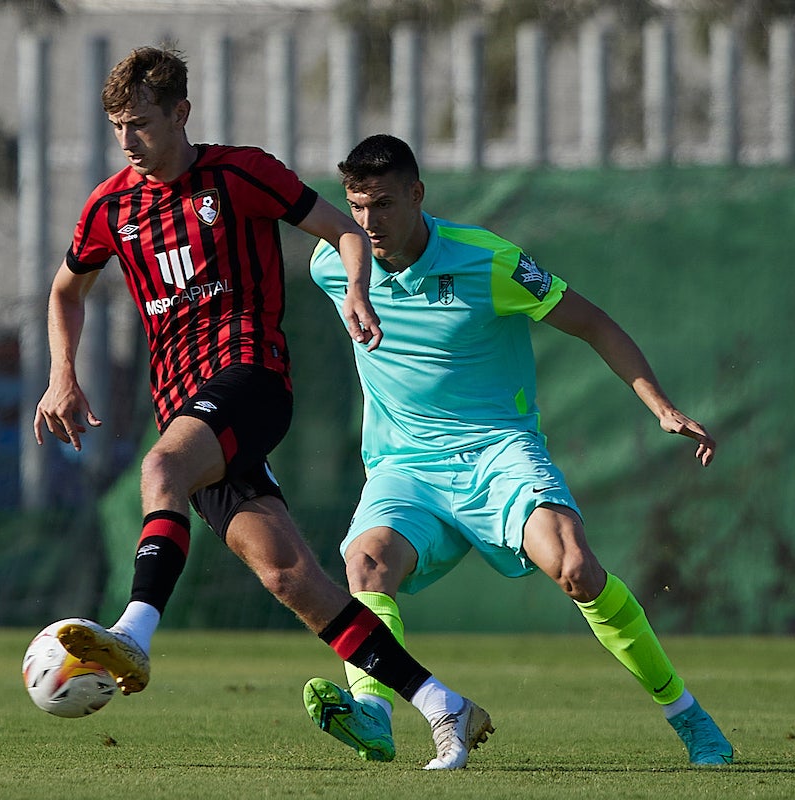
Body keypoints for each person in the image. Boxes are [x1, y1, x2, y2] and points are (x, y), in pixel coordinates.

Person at [33, 47, 491, 769]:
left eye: (141, 124)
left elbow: (343, 228)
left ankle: (135, 632)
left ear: (181, 113)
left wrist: (357, 292)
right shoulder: (111, 206)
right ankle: (444, 705)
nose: (127, 141)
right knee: (292, 580)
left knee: (160, 468)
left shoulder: (241, 174)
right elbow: (66, 288)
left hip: (252, 379)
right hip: (190, 408)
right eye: (117, 126)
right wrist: (62, 375)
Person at [303, 133, 733, 767]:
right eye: (357, 207)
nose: (369, 223)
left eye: (385, 204)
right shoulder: (331, 263)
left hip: (497, 455)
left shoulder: (489, 260)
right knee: (365, 565)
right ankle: (372, 710)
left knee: (576, 569)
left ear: (418, 195)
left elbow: (593, 322)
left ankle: (688, 716)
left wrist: (662, 407)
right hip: (404, 468)